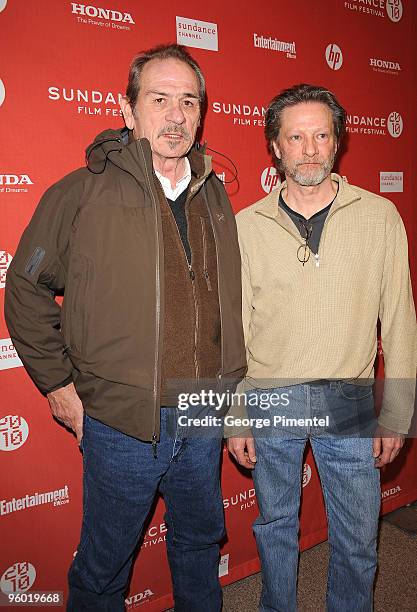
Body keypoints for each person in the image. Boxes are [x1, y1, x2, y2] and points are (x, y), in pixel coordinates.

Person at [5, 44, 246, 611]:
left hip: (202, 413)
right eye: (159, 99)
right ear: (129, 109)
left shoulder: (214, 194)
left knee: (197, 546)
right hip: (120, 425)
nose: (176, 114)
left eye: (189, 101)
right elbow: (25, 286)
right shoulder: (82, 192)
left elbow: (227, 309)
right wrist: (59, 387)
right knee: (103, 567)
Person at [226, 84, 416, 611]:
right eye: (295, 137)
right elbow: (235, 331)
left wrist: (397, 414)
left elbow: (400, 319)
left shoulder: (380, 217)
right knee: (275, 528)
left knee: (358, 541)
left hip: (349, 401)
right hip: (269, 398)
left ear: (337, 143)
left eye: (321, 136)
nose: (309, 149)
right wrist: (236, 414)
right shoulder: (246, 226)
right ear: (276, 147)